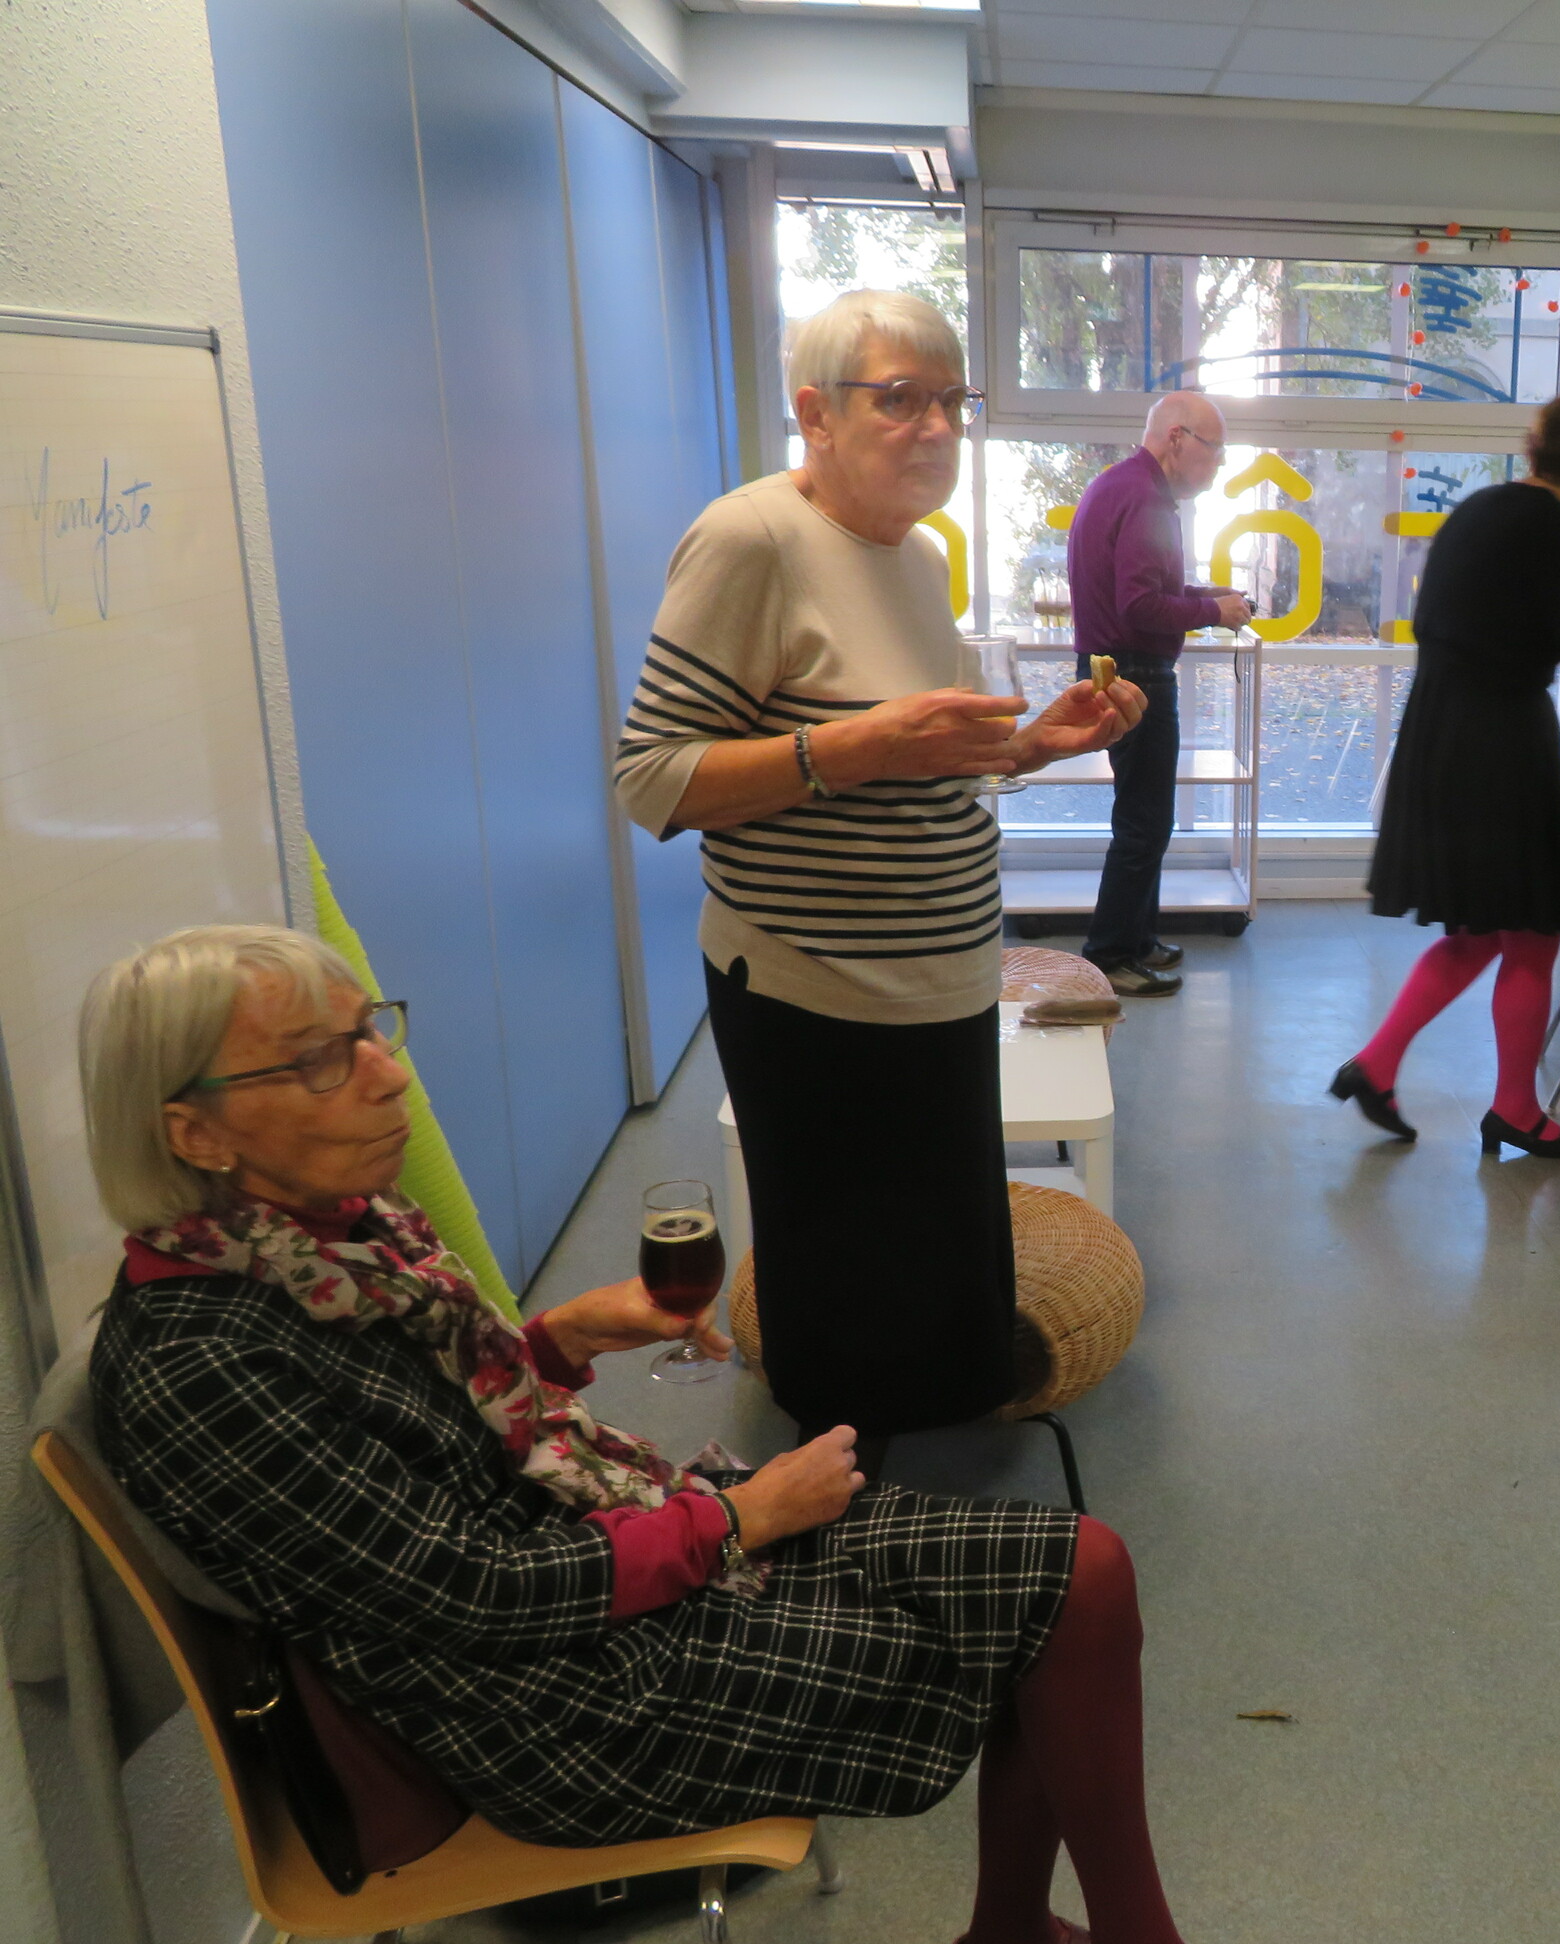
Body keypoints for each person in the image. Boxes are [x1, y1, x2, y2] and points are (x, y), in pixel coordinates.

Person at [80, 925, 1190, 1943]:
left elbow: (428, 1445)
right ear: (193, 1131)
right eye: (321, 1060)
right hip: (550, 1710)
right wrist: (739, 1519)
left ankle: (1012, 1932)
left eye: (371, 1031)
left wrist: (556, 1341)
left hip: (582, 1584)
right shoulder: (204, 1366)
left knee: (1081, 1573)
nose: (389, 1073)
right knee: (1044, 1613)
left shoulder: (315, 1243)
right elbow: (476, 1594)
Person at [614, 290, 1145, 1455]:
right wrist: (849, 749)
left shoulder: (914, 556)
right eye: (900, 398)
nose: (937, 426)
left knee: (938, 1259)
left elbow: (921, 762)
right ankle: (838, 1498)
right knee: (847, 1285)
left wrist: (1031, 747)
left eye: (953, 400)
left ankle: (927, 1456)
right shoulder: (752, 540)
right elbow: (652, 778)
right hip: (814, 997)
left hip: (941, 983)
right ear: (816, 413)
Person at [1332, 394, 1560, 1159]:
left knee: (1488, 930)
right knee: (1526, 933)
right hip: (1499, 749)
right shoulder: (1559, 535)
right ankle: (1513, 1108)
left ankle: (1381, 1066)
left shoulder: (1480, 510)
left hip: (1439, 736)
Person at [1069, 393, 1256, 998]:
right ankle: (1110, 955)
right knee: (1144, 823)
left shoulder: (1122, 486)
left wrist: (1208, 596)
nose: (1219, 463)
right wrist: (1213, 611)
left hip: (1117, 670)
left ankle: (1137, 936)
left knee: (1145, 817)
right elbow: (1140, 607)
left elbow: (1148, 589)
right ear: (1177, 438)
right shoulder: (1146, 497)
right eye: (1215, 449)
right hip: (1136, 674)